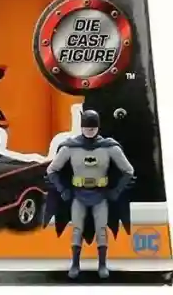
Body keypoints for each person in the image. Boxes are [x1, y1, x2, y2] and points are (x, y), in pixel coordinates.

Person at [44, 109, 135, 279]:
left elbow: (128, 170)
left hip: (100, 195)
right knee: (77, 229)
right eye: (87, 127)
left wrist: (116, 191)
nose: (90, 130)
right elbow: (52, 170)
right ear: (81, 127)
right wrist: (62, 189)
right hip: (79, 195)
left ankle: (102, 265)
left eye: (93, 127)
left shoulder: (109, 147)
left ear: (98, 127)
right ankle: (75, 264)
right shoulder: (70, 147)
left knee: (101, 229)